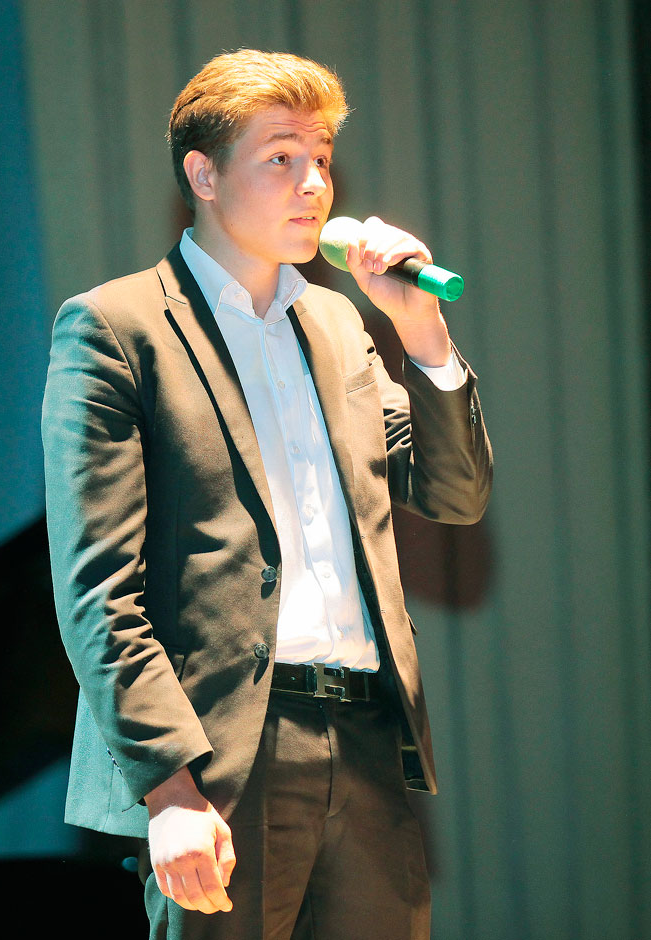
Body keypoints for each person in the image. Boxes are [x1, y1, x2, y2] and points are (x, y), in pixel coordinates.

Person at [42, 49, 492, 940]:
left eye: (320, 157)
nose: (313, 184)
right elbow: (97, 588)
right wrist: (168, 787)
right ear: (203, 175)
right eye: (280, 157)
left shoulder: (338, 323)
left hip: (367, 737)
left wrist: (420, 329)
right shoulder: (118, 327)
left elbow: (453, 494)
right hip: (220, 751)